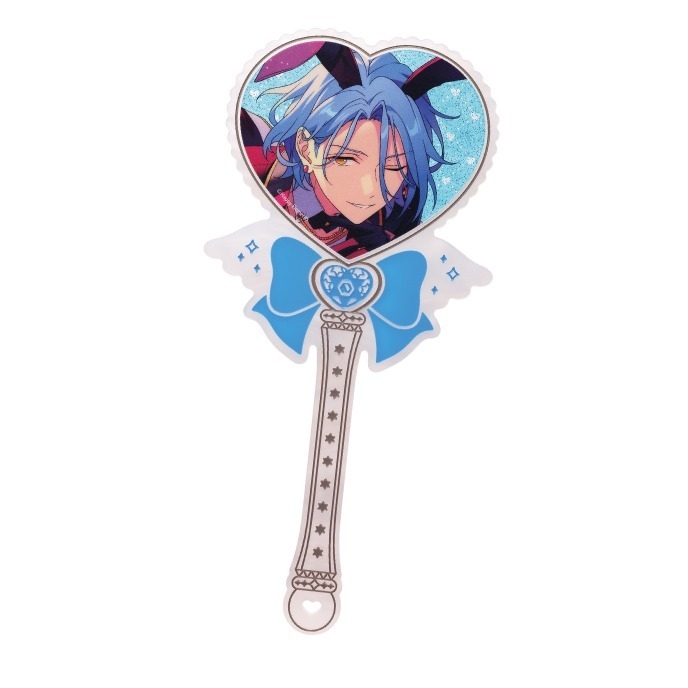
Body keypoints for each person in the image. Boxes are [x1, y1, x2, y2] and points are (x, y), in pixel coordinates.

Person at [240, 41, 466, 259]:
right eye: (344, 159)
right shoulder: (255, 159)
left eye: (394, 166)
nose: (368, 190)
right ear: (306, 148)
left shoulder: (399, 223)